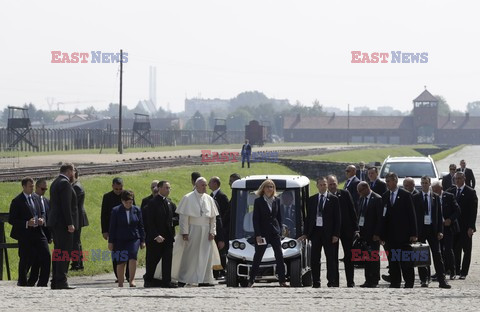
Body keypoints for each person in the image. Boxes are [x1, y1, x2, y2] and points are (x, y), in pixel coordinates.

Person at [172, 177, 221, 286]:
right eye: (202, 185)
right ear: (197, 185)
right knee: (190, 255)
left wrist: (212, 231)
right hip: (192, 230)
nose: (205, 187)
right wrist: (184, 232)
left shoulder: (209, 199)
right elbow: (183, 217)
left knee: (205, 255)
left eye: (205, 185)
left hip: (206, 231)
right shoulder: (188, 198)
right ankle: (183, 278)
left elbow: (213, 218)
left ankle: (205, 279)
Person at [8, 177, 50, 287]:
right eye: (30, 186)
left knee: (46, 256)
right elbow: (12, 219)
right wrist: (27, 223)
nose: (32, 188)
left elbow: (41, 212)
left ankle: (42, 283)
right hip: (25, 234)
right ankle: (22, 282)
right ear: (24, 187)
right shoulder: (17, 201)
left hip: (38, 232)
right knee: (25, 259)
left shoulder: (36, 198)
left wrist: (42, 219)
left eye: (33, 186)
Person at [300, 177, 341, 288]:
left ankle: (331, 281)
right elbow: (308, 218)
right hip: (315, 232)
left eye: (325, 184)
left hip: (328, 233)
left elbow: (337, 218)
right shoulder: (312, 200)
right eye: (321, 185)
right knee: (314, 258)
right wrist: (306, 233)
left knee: (331, 258)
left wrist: (336, 234)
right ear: (317, 186)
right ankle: (316, 281)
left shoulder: (333, 199)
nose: (323, 186)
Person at [248, 179, 288, 287]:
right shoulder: (258, 201)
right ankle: (251, 280)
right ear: (263, 189)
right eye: (267, 186)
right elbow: (255, 219)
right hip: (263, 233)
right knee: (258, 256)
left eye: (271, 187)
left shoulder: (277, 200)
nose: (270, 189)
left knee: (279, 256)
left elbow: (279, 217)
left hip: (274, 233)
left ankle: (282, 281)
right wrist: (258, 235)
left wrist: (279, 231)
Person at [380, 172, 417, 288]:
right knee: (393, 261)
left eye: (389, 181)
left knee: (405, 261)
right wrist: (381, 235)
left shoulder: (405, 195)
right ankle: (395, 282)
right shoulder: (385, 196)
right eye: (386, 182)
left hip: (404, 234)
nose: (387, 184)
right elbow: (383, 216)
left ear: (395, 181)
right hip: (390, 235)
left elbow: (412, 215)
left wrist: (414, 233)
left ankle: (409, 282)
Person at [413, 176, 450, 288]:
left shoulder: (435, 197)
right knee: (421, 254)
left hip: (432, 229)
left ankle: (441, 280)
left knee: (437, 254)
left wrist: (440, 231)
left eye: (426, 183)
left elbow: (439, 215)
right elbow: (413, 216)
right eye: (422, 183)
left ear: (429, 184)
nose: (424, 185)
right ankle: (424, 279)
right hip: (421, 230)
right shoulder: (415, 197)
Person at [48, 163, 78, 290]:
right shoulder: (65, 183)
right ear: (69, 171)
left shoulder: (55, 182)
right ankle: (61, 281)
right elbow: (66, 205)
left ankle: (55, 280)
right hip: (63, 223)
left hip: (55, 222)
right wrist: (70, 223)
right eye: (73, 172)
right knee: (65, 251)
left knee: (58, 251)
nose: (73, 175)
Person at [108, 190, 146, 287]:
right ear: (122, 201)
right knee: (121, 260)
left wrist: (142, 240)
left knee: (133, 256)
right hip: (119, 239)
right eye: (126, 202)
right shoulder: (115, 211)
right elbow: (112, 227)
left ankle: (131, 280)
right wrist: (111, 242)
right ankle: (120, 282)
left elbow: (141, 226)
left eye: (131, 202)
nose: (129, 204)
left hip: (134, 238)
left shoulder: (137, 210)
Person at [145, 181, 178, 288]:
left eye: (169, 188)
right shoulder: (152, 203)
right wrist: (156, 235)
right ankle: (149, 280)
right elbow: (149, 221)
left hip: (168, 237)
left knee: (167, 260)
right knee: (152, 260)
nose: (168, 190)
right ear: (159, 188)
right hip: (156, 238)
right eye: (166, 188)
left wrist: (172, 221)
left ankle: (166, 281)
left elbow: (177, 217)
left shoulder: (170, 203)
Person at [327, 174, 358, 287]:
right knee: (332, 257)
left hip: (346, 230)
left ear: (337, 183)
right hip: (332, 232)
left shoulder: (345, 194)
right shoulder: (326, 196)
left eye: (334, 183)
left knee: (349, 256)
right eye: (330, 184)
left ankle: (350, 281)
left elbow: (352, 211)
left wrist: (356, 229)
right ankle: (334, 281)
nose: (332, 186)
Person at [448, 171, 478, 279]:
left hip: (466, 227)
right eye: (456, 179)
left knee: (466, 250)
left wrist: (471, 227)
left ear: (464, 178)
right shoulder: (451, 191)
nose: (458, 180)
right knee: (455, 249)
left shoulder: (470, 192)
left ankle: (464, 272)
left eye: (460, 178)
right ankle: (455, 270)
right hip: (454, 227)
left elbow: (473, 211)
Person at [101, 177, 131, 282]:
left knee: (128, 253)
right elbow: (104, 215)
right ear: (112, 186)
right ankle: (119, 276)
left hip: (127, 229)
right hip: (113, 230)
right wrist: (104, 231)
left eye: (120, 189)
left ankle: (128, 275)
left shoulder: (127, 195)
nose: (118, 191)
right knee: (116, 253)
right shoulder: (107, 197)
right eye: (116, 189)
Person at [432, 181, 460, 280]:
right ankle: (440, 271)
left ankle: (453, 271)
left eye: (435, 189)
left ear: (440, 188)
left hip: (448, 228)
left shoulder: (449, 196)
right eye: (433, 189)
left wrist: (450, 219)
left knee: (448, 250)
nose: (434, 191)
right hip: (438, 228)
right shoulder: (432, 198)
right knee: (438, 251)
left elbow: (457, 210)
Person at [356, 181, 383, 288]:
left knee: (374, 256)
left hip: (373, 233)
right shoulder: (362, 199)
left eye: (360, 191)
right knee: (366, 257)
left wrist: (377, 233)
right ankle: (368, 279)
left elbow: (380, 218)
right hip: (364, 233)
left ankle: (375, 279)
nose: (359, 193)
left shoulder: (377, 199)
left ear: (366, 188)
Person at [27, 178, 52, 286]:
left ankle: (42, 282)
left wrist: (50, 235)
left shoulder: (47, 201)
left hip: (44, 234)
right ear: (36, 187)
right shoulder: (31, 199)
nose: (44, 191)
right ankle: (31, 281)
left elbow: (48, 218)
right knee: (35, 260)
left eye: (46, 189)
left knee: (45, 258)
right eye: (42, 189)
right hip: (33, 234)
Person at [209, 176, 230, 280]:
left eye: (210, 183)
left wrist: (222, 230)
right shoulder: (211, 196)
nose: (208, 185)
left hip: (220, 228)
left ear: (215, 184)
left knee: (219, 252)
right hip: (213, 228)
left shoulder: (222, 197)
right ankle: (215, 271)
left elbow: (224, 215)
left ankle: (220, 270)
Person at [71, 168, 89, 271]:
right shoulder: (76, 185)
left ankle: (76, 264)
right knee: (76, 241)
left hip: (77, 217)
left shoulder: (76, 187)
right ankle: (78, 263)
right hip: (77, 216)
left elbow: (73, 203)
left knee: (75, 241)